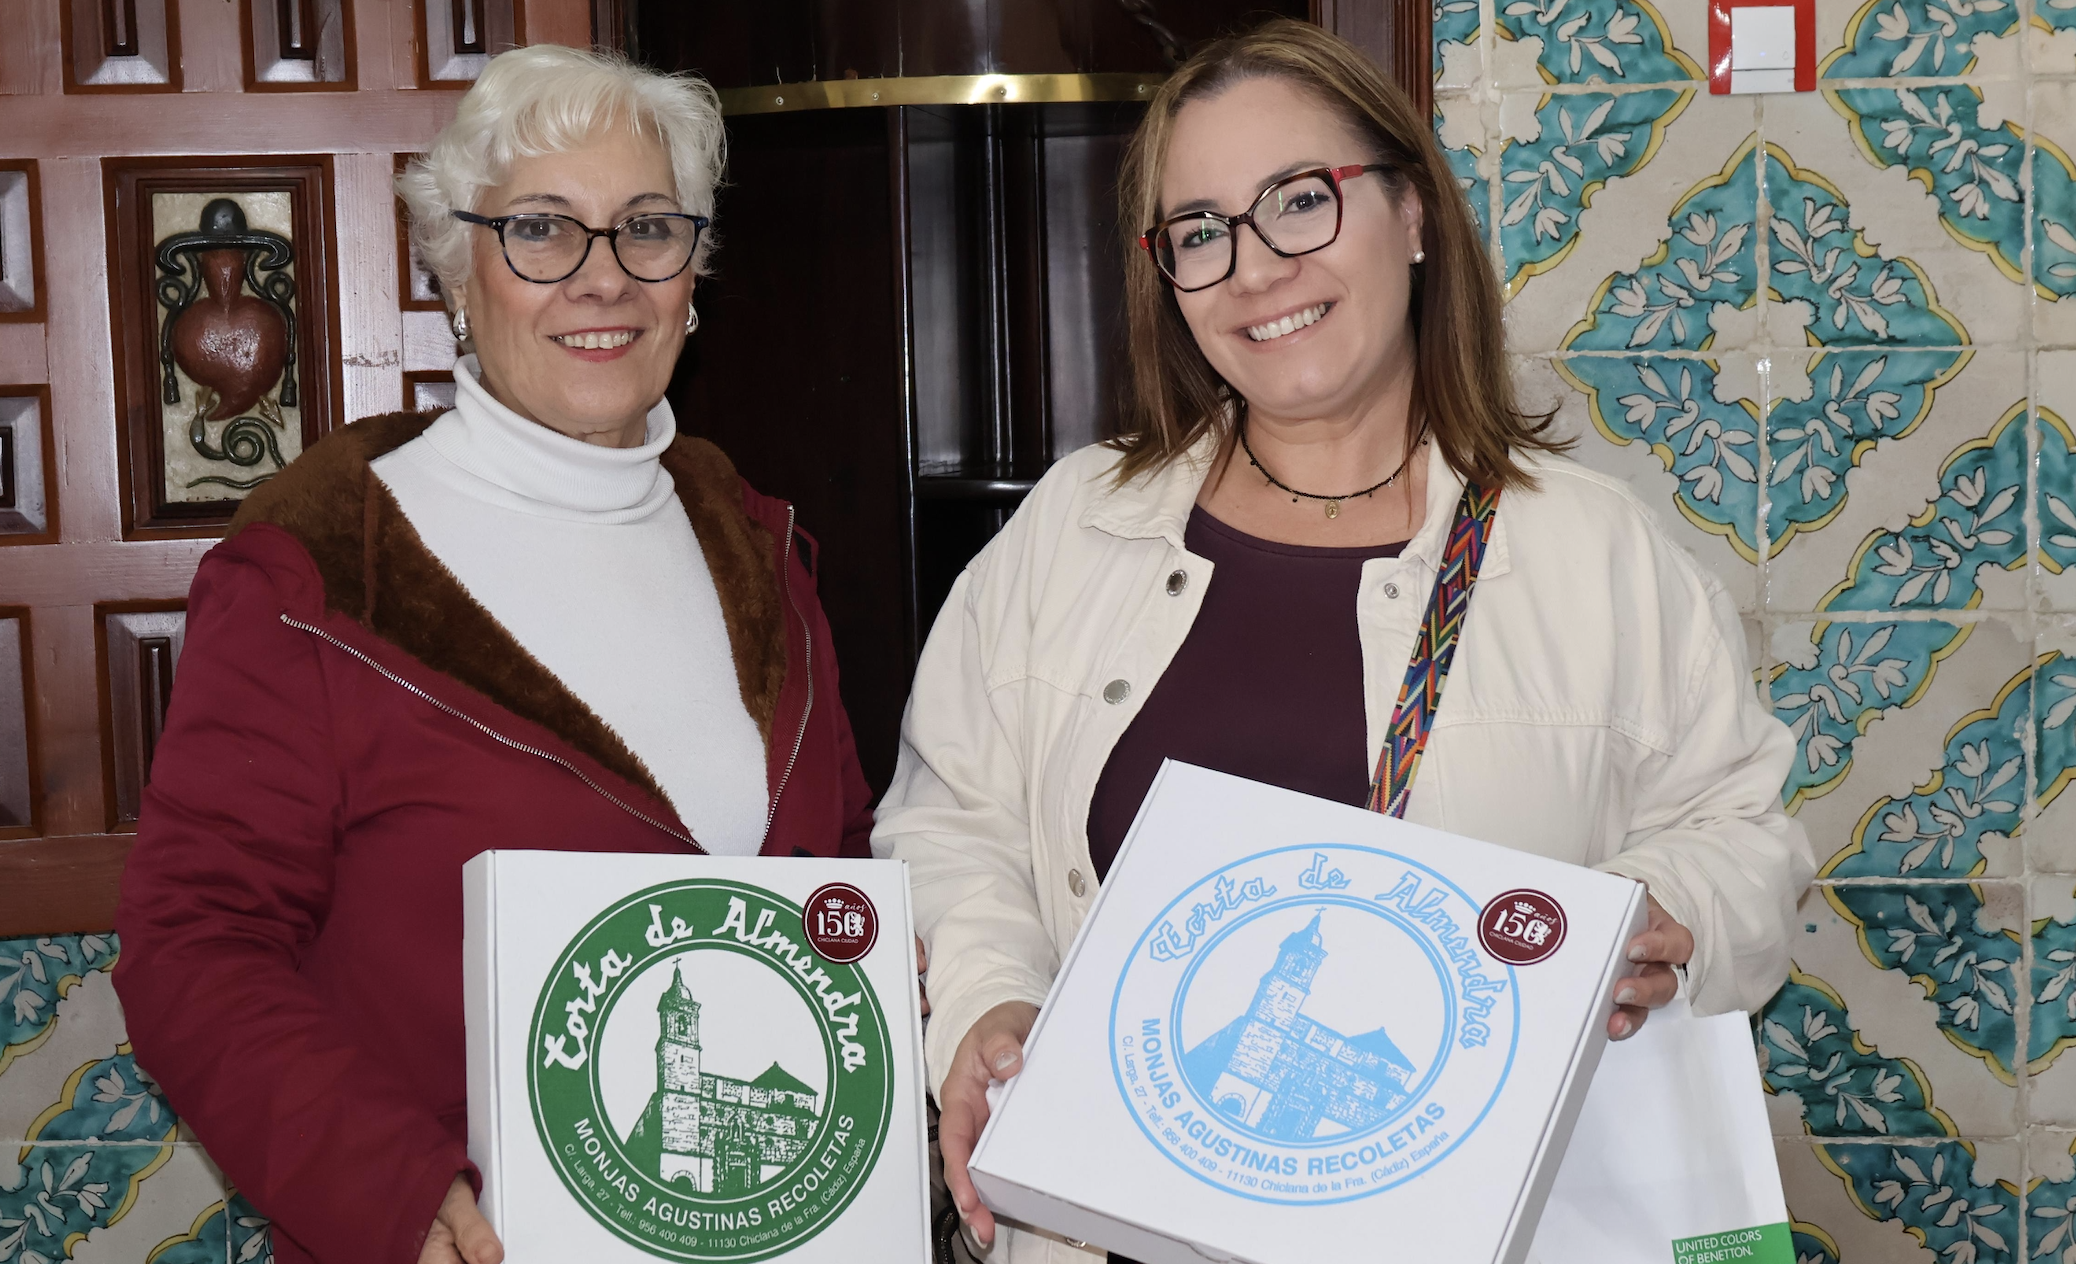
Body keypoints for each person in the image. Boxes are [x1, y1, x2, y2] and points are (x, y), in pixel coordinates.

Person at [874, 19, 1815, 1263]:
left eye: (1300, 202)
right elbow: (954, 824)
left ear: (1414, 214)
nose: (1254, 266)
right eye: (1200, 231)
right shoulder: (1071, 528)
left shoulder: (1596, 554)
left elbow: (1745, 832)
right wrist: (991, 1007)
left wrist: (1675, 914)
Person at [113, 45, 876, 1264]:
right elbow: (191, 949)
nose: (602, 278)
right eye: (540, 231)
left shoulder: (762, 549)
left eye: (647, 229)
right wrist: (394, 1191)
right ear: (457, 272)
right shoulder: (318, 569)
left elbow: (837, 880)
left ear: (692, 274)